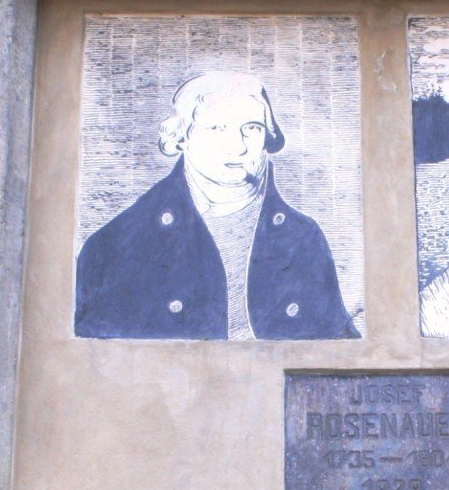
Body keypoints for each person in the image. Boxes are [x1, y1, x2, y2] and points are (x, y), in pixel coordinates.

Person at [75, 70, 357, 340]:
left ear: (267, 139)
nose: (237, 146)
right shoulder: (120, 245)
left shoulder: (303, 239)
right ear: (182, 137)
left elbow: (339, 358)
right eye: (217, 128)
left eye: (251, 128)